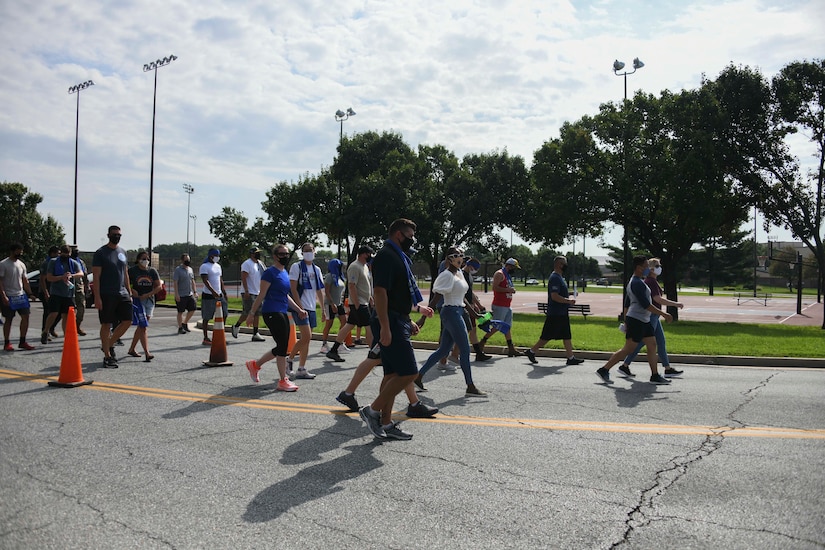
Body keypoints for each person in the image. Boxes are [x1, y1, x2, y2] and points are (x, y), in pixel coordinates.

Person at [359, 218, 434, 440]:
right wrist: (385, 326)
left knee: (391, 374)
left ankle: (386, 422)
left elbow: (396, 295)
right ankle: (372, 411)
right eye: (410, 235)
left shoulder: (397, 257)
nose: (412, 240)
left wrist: (406, 319)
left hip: (397, 318)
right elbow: (380, 293)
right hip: (389, 320)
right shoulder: (387, 256)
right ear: (399, 234)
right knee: (409, 372)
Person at [414, 247, 487, 397]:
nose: (460, 258)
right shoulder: (446, 275)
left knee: (443, 350)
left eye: (461, 255)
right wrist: (423, 317)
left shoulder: (459, 273)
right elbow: (437, 297)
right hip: (451, 312)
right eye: (456, 255)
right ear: (448, 259)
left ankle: (418, 377)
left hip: (458, 310)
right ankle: (470, 386)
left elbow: (463, 298)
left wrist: (475, 313)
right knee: (465, 349)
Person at [595, 255, 673, 385]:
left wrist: (626, 320)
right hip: (637, 320)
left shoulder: (638, 282)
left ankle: (655, 375)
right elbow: (646, 305)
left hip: (643, 320)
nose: (648, 269)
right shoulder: (636, 283)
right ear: (639, 268)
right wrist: (664, 314)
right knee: (628, 349)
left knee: (652, 345)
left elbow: (627, 304)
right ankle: (604, 369)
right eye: (646, 266)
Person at [244, 244, 306, 392]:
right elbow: (261, 294)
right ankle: (282, 380)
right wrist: (252, 313)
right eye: (282, 254)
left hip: (282, 311)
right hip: (271, 312)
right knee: (282, 347)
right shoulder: (269, 273)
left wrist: (298, 309)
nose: (285, 256)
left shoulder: (284, 273)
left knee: (281, 346)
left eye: (287, 253)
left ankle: (255, 365)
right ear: (275, 256)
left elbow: (285, 295)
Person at [618, 257, 684, 378]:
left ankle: (667, 368)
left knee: (659, 342)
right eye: (657, 266)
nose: (660, 268)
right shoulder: (649, 282)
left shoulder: (650, 281)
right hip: (651, 315)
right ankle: (624, 365)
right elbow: (656, 300)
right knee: (642, 342)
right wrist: (674, 305)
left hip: (654, 315)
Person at [524, 255, 585, 366]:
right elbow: (554, 296)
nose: (566, 266)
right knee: (546, 336)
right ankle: (531, 351)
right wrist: (568, 301)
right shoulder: (555, 278)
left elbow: (560, 292)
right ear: (558, 264)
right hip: (555, 313)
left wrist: (570, 293)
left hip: (562, 312)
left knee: (566, 335)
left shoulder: (560, 278)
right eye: (564, 263)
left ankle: (570, 357)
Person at [92, 226, 133, 368]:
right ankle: (108, 356)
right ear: (108, 235)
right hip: (106, 293)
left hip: (122, 293)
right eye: (114, 234)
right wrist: (97, 297)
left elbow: (125, 273)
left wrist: (129, 291)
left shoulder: (123, 252)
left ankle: (108, 345)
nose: (117, 236)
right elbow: (96, 277)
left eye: (119, 234)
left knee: (127, 320)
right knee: (106, 323)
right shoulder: (101, 253)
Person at [326, 245, 374, 362]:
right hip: (359, 303)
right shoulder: (354, 267)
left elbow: (364, 286)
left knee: (349, 325)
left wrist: (370, 298)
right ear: (363, 254)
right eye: (369, 254)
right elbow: (351, 286)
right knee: (369, 327)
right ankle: (374, 354)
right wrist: (357, 304)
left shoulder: (365, 267)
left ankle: (333, 350)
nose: (370, 257)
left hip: (364, 301)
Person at [287, 242, 325, 379]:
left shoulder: (317, 270)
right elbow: (293, 288)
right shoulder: (296, 267)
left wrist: (323, 309)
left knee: (306, 340)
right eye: (306, 250)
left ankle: (301, 368)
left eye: (311, 250)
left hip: (311, 307)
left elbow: (319, 290)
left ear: (315, 252)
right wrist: (299, 307)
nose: (308, 252)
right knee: (306, 336)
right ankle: (290, 360)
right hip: (301, 307)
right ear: (302, 253)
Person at [478, 257, 524, 357]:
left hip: (507, 305)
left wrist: (510, 289)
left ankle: (511, 348)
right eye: (514, 268)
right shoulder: (499, 274)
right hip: (499, 305)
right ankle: (482, 343)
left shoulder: (507, 275)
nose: (514, 270)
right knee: (497, 326)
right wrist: (508, 290)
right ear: (509, 266)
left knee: (507, 327)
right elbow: (495, 287)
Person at [41, 245, 83, 345]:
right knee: (54, 313)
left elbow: (81, 273)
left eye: (67, 255)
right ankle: (45, 331)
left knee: (67, 316)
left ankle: (67, 337)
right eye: (63, 255)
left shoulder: (73, 263)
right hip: (56, 292)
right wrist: (61, 277)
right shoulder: (53, 262)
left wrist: (71, 275)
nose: (66, 257)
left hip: (68, 294)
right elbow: (49, 278)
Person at [0, 242, 36, 351]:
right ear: (12, 251)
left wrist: (30, 294)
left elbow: (25, 280)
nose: (20, 253)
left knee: (26, 317)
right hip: (9, 295)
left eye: (21, 251)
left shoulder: (21, 264)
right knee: (9, 319)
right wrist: (3, 296)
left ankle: (22, 341)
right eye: (18, 251)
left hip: (20, 295)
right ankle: (7, 343)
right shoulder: (3, 264)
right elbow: (0, 281)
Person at [126, 251, 161, 361]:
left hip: (149, 300)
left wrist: (148, 294)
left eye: (147, 259)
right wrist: (132, 290)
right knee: (143, 326)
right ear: (138, 259)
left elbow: (158, 286)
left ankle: (132, 348)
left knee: (142, 325)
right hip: (138, 301)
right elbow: (125, 282)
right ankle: (147, 352)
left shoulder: (152, 271)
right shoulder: (132, 271)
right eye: (143, 258)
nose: (145, 260)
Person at [232, 247, 267, 342]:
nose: (258, 254)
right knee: (248, 312)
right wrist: (246, 290)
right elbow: (244, 277)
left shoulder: (260, 264)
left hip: (258, 292)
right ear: (252, 254)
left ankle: (255, 333)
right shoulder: (247, 264)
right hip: (249, 292)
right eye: (256, 253)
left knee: (257, 313)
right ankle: (236, 326)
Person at [462, 257, 493, 362]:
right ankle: (452, 354)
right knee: (467, 331)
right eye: (476, 268)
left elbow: (470, 293)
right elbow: (462, 294)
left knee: (472, 330)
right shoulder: (462, 275)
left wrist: (479, 305)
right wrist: (470, 305)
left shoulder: (469, 276)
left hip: (470, 307)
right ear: (470, 266)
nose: (476, 271)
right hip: (464, 307)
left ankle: (478, 353)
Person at [199, 248, 228, 346]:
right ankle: (206, 337)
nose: (217, 257)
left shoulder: (218, 266)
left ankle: (220, 335)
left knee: (224, 314)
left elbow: (220, 280)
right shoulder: (204, 266)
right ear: (211, 256)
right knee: (207, 317)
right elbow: (205, 280)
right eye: (216, 255)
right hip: (208, 295)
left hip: (219, 294)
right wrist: (213, 292)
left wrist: (224, 292)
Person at [320, 258, 348, 353]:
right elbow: (327, 291)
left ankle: (340, 343)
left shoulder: (340, 277)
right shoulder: (329, 276)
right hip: (330, 303)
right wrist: (332, 303)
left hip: (339, 303)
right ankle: (324, 344)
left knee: (344, 321)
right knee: (329, 324)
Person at [173, 254, 197, 334]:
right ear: (182, 260)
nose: (188, 261)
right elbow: (175, 282)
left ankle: (184, 323)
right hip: (181, 294)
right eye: (186, 260)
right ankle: (180, 327)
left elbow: (192, 281)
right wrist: (176, 294)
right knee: (180, 311)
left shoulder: (190, 269)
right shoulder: (178, 270)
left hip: (189, 294)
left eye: (189, 259)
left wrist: (195, 292)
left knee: (193, 309)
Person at [39, 246, 60, 340]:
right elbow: (42, 279)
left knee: (59, 312)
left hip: (55, 291)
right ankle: (45, 331)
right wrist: (46, 292)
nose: (58, 255)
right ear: (52, 253)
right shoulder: (46, 263)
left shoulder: (57, 263)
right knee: (48, 312)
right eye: (57, 253)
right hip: (45, 290)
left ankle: (51, 328)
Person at [69, 245, 89, 336]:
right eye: (74, 251)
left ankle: (77, 326)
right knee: (67, 311)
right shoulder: (67, 262)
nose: (76, 252)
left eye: (77, 250)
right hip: (67, 288)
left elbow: (85, 275)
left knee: (81, 308)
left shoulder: (80, 262)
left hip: (79, 287)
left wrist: (86, 286)